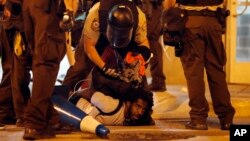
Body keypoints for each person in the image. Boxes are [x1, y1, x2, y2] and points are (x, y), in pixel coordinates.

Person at [164, 0, 235, 130]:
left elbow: (169, 2)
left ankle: (198, 119)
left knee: (194, 73)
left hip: (191, 21)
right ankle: (226, 119)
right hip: (214, 22)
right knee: (217, 71)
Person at [62, 0, 151, 93]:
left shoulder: (139, 18)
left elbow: (143, 42)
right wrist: (103, 66)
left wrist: (140, 59)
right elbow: (89, 46)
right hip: (99, 34)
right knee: (80, 68)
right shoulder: (96, 13)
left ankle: (134, 99)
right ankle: (62, 96)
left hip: (127, 41)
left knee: (135, 75)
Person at [21, 0, 78, 140]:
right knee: (47, 61)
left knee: (39, 59)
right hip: (48, 8)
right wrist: (69, 10)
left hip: (30, 6)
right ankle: (35, 122)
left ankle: (49, 118)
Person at [0, 0, 30, 128]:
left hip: (12, 19)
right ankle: (19, 114)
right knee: (16, 69)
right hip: (15, 21)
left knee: (11, 69)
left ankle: (6, 113)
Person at [70, 88, 155, 126]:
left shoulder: (134, 119)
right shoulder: (111, 105)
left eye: (143, 109)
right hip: (73, 106)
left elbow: (149, 120)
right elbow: (91, 92)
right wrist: (72, 94)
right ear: (128, 103)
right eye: (138, 106)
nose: (140, 112)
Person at [140, 0, 167, 92]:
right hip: (149, 9)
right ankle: (157, 81)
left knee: (152, 43)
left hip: (151, 10)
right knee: (151, 44)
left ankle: (158, 82)